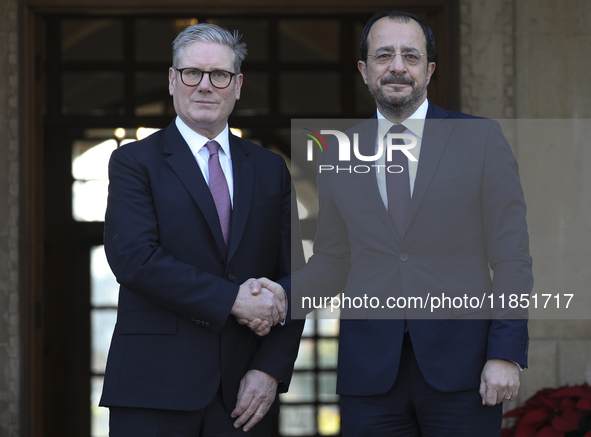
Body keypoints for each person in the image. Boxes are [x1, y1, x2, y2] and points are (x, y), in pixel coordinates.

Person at [290, 10, 533, 436]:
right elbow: (333, 260)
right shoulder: (336, 153)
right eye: (384, 56)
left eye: (411, 56)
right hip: (370, 377)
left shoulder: (482, 140)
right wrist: (277, 296)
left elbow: (511, 256)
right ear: (365, 71)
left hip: (465, 370)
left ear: (430, 69)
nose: (397, 67)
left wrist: (506, 353)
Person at [99, 23, 305, 436]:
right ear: (173, 80)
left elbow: (293, 279)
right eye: (192, 73)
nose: (205, 86)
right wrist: (233, 300)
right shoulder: (134, 162)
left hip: (244, 394)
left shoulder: (269, 170)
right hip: (154, 390)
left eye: (220, 76)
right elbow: (134, 259)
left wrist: (269, 369)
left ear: (238, 85)